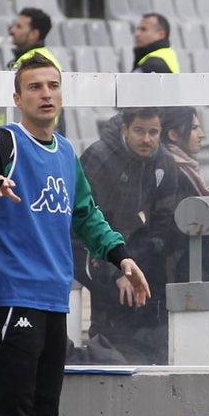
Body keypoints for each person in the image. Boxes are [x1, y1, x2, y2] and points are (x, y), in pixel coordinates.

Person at [0, 53, 151, 416]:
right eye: (35, 87)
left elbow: (86, 214)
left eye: (53, 85)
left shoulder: (64, 151)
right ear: (17, 98)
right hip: (11, 297)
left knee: (44, 413)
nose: (46, 94)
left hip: (54, 298)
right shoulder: (3, 140)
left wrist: (121, 255)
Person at [78, 107, 183, 364]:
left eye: (153, 132)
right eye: (139, 131)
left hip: (141, 257)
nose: (146, 139)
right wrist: (117, 271)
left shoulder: (165, 163)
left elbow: (161, 224)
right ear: (125, 129)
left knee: (147, 336)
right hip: (99, 256)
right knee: (108, 331)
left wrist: (135, 268)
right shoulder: (99, 157)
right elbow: (88, 220)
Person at [161, 107, 209, 198]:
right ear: (173, 135)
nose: (201, 135)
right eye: (194, 128)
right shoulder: (170, 169)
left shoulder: (184, 166)